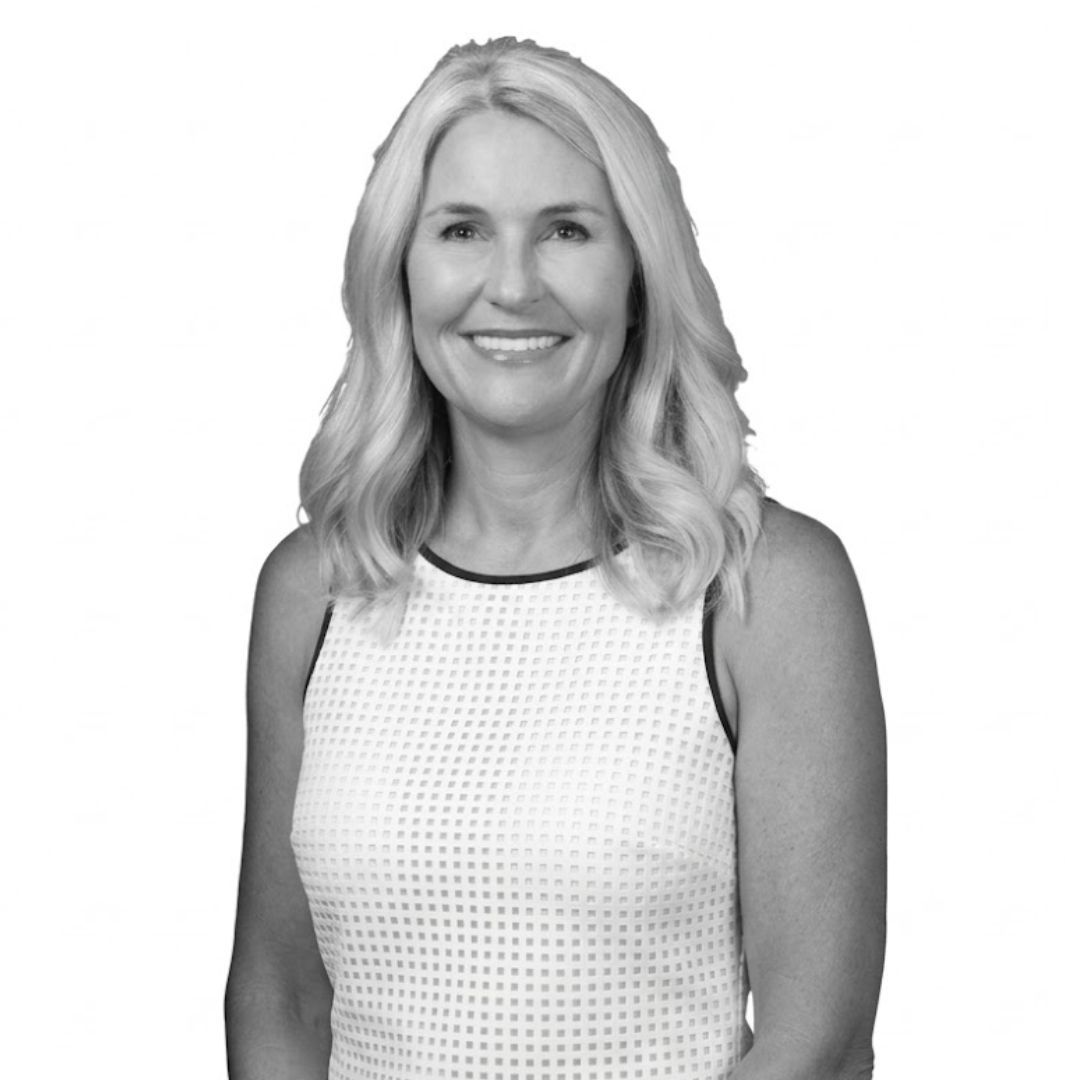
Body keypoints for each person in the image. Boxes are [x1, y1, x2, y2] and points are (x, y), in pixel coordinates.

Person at [224, 36, 886, 1080]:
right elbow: (282, 996)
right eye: (462, 231)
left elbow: (819, 1042)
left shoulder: (765, 589)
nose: (513, 285)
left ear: (639, 275)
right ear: (399, 268)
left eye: (568, 230)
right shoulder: (315, 589)